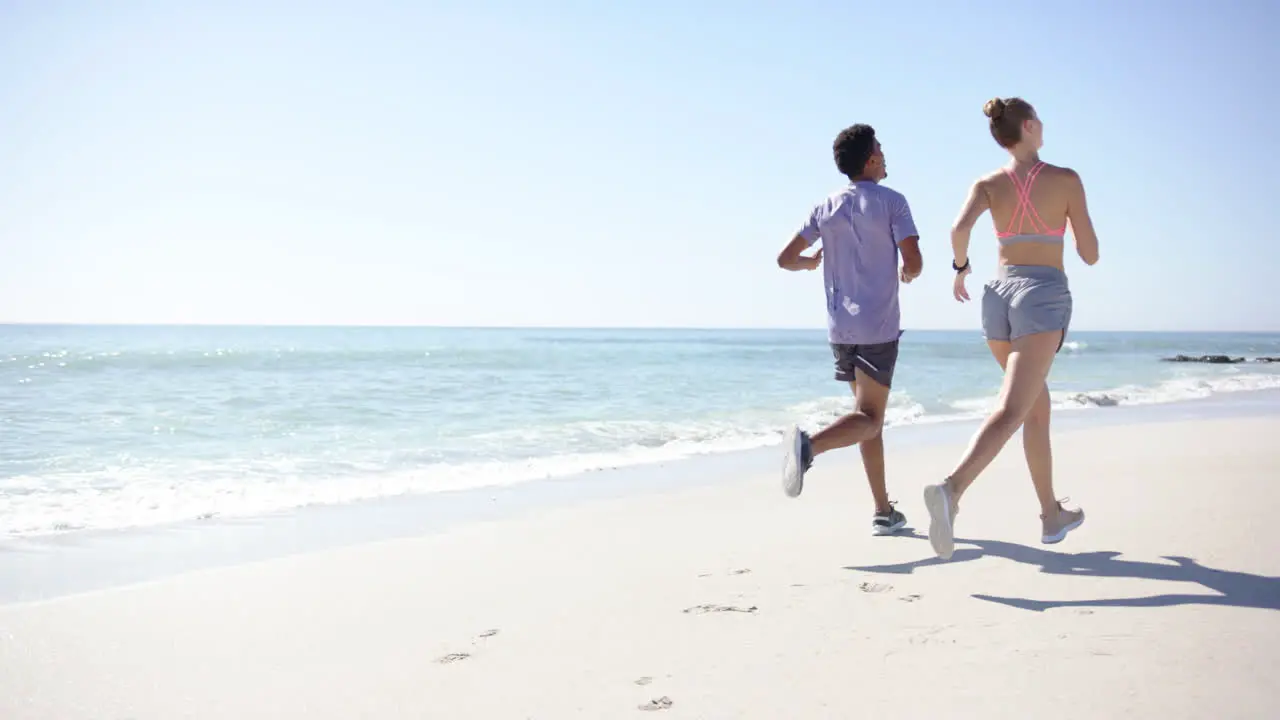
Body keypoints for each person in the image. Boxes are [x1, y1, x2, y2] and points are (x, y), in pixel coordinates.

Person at [923, 97, 1100, 560]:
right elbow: (1090, 253)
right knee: (1011, 408)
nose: (1043, 125)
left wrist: (960, 268)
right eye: (1039, 119)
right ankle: (951, 490)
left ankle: (1050, 515)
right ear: (1027, 126)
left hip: (997, 298)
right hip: (1041, 297)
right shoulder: (1065, 179)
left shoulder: (987, 184)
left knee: (1035, 408)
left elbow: (958, 230)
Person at [777, 123, 923, 536]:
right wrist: (908, 274)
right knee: (871, 419)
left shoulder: (825, 206)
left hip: (840, 328)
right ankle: (810, 446)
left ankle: (882, 509)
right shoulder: (894, 203)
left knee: (866, 418)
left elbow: (786, 257)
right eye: (880, 148)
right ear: (871, 159)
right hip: (878, 326)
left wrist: (809, 264)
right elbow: (914, 261)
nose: (885, 154)